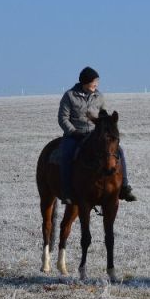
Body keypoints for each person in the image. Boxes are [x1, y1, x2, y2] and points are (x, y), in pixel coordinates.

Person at [57, 66, 137, 203]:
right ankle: (67, 191)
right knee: (66, 155)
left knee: (119, 151)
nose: (96, 84)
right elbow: (63, 118)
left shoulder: (99, 96)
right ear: (85, 82)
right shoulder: (69, 96)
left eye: (97, 82)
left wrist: (107, 120)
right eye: (94, 82)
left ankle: (124, 187)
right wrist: (73, 132)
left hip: (95, 135)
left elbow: (103, 114)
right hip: (74, 135)